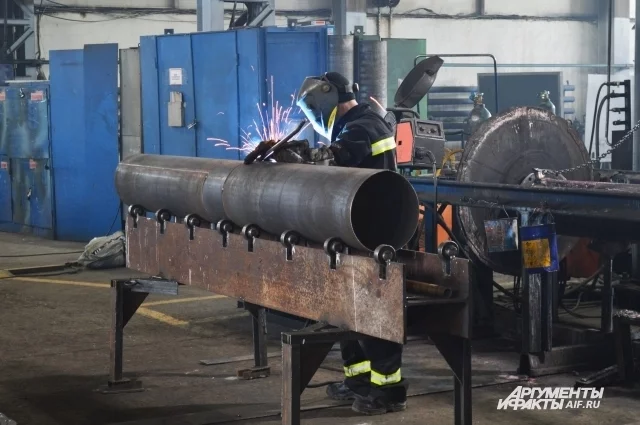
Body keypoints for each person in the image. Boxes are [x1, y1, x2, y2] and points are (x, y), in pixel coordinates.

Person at [245, 71, 407, 415]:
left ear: (324, 99)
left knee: (373, 314)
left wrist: (289, 154)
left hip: (373, 235)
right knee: (347, 312)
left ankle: (388, 392)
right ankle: (358, 382)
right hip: (354, 230)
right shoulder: (355, 123)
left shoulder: (363, 126)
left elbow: (331, 159)